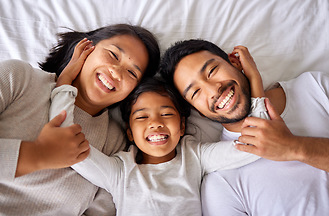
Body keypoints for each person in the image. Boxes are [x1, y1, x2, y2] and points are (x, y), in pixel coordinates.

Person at [45, 59, 268, 215]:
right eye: (142, 117)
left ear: (182, 126)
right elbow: (65, 140)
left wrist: (254, 79)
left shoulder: (195, 156)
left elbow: (254, 142)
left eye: (167, 114)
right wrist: (65, 82)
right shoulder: (120, 171)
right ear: (130, 133)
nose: (156, 123)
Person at [0, 24, 160, 216]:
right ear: (86, 48)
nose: (117, 73)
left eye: (132, 73)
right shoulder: (18, 78)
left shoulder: (116, 144)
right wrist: (39, 154)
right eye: (113, 55)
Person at [159, 39, 329, 215]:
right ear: (198, 112)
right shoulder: (220, 183)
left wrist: (295, 147)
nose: (213, 90)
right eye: (195, 92)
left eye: (212, 71)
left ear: (235, 62)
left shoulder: (315, 87)